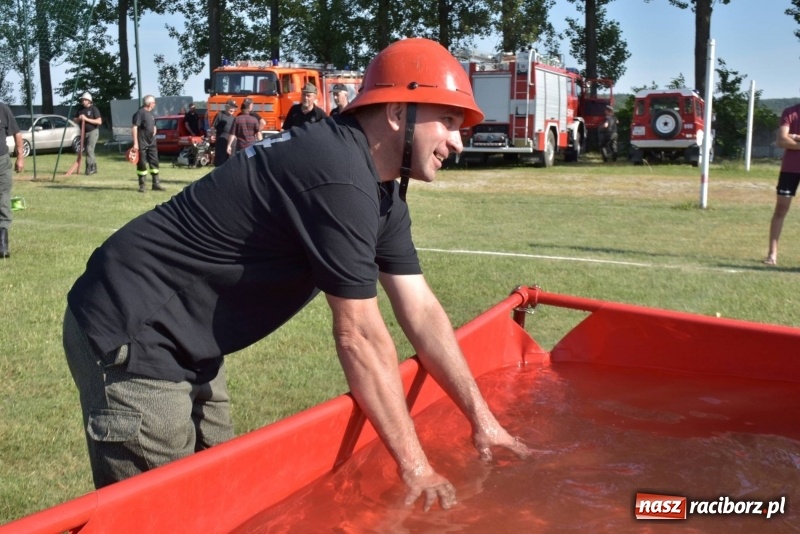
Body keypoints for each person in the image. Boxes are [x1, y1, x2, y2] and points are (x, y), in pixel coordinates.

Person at [63, 38, 531, 511]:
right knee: (164, 513)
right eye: (447, 121)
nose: (457, 141)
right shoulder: (339, 173)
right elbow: (360, 337)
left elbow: (423, 311)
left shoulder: (380, 190)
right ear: (396, 113)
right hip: (134, 325)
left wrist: (484, 422)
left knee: (220, 499)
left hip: (189, 339)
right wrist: (416, 468)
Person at [764, 103, 800, 265]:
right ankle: (772, 254)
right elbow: (781, 140)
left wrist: (795, 136)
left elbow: (788, 138)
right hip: (790, 169)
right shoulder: (790, 112)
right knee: (780, 210)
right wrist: (792, 138)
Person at [0, 102, 23, 258]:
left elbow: (17, 133)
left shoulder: (2, 109)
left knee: (3, 199)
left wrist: (20, 157)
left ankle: (2, 244)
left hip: (2, 161)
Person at [131, 95, 165, 193]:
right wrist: (135, 144)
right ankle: (142, 185)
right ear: (149, 104)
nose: (154, 104)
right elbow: (134, 127)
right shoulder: (140, 113)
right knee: (142, 163)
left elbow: (152, 124)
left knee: (154, 161)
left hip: (151, 142)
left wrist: (154, 128)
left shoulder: (150, 114)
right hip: (142, 142)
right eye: (154, 102)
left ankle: (156, 184)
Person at [74, 92, 102, 175]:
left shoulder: (94, 109)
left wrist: (86, 119)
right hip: (84, 132)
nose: (83, 101)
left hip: (93, 131)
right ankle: (93, 167)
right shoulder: (80, 109)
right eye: (83, 100)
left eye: (85, 100)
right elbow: (74, 120)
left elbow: (99, 121)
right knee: (88, 150)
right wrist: (79, 118)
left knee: (89, 149)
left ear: (89, 101)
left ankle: (89, 167)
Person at [212, 99, 237, 167]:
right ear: (226, 106)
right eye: (231, 107)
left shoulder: (234, 118)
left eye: (234, 108)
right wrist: (212, 135)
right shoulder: (220, 115)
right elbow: (213, 127)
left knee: (231, 161)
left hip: (231, 143)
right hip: (221, 141)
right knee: (220, 161)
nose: (233, 109)